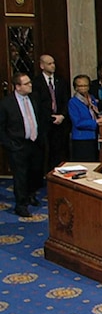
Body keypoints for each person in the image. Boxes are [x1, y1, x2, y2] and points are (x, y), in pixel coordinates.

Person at [0, 73, 46, 217]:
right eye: (26, 84)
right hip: (18, 145)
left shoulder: (34, 98)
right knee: (20, 176)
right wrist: (9, 145)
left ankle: (31, 195)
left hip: (34, 142)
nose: (30, 85)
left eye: (30, 82)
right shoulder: (6, 103)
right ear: (18, 87)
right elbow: (1, 127)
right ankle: (21, 205)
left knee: (35, 172)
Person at [31, 54, 71, 172]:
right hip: (45, 122)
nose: (53, 66)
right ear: (42, 65)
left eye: (53, 63)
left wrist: (62, 115)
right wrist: (50, 117)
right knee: (46, 151)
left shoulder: (61, 81)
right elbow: (37, 104)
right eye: (49, 64)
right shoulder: (36, 82)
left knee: (60, 150)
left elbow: (66, 100)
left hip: (61, 122)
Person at [68, 74, 102, 162]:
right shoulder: (73, 102)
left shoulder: (91, 99)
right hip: (81, 139)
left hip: (93, 137)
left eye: (85, 85)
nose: (83, 88)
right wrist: (97, 121)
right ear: (76, 88)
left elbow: (95, 113)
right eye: (80, 86)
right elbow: (78, 123)